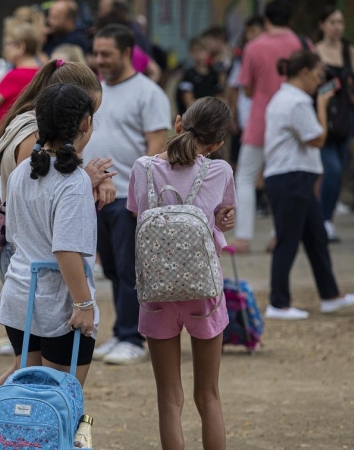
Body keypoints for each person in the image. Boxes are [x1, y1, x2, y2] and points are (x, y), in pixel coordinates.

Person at [127, 97, 236, 450]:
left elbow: (138, 214)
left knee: (169, 399)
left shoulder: (141, 168)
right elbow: (220, 218)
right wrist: (221, 222)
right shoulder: (220, 171)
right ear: (217, 143)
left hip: (157, 292)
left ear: (177, 123)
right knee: (209, 397)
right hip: (203, 291)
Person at [0, 82, 99, 441]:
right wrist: (84, 304)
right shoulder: (74, 180)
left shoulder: (25, 171)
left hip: (20, 298)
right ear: (86, 123)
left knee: (25, 403)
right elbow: (65, 249)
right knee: (57, 410)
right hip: (58, 308)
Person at [87, 24, 171, 365]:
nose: (99, 60)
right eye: (96, 53)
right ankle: (121, 330)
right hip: (94, 195)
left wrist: (143, 197)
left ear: (126, 53)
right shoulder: (96, 91)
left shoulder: (148, 93)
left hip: (127, 197)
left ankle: (132, 336)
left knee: (129, 269)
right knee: (110, 268)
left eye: (106, 54)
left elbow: (156, 147)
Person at [263, 50, 354, 320]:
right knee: (288, 241)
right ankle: (278, 302)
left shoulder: (285, 98)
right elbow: (317, 139)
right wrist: (321, 103)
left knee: (316, 238)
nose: (320, 80)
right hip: (290, 177)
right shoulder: (296, 101)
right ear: (305, 72)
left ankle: (330, 296)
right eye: (318, 74)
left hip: (294, 178)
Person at [231, 0, 310, 253]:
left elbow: (247, 87)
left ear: (266, 20)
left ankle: (242, 238)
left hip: (260, 118)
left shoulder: (254, 46)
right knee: (281, 177)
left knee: (244, 176)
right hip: (294, 119)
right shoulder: (301, 43)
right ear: (290, 20)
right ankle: (279, 235)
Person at [315, 7, 354, 242]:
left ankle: (328, 221)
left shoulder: (348, 50)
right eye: (332, 22)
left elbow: (352, 83)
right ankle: (321, 219)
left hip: (345, 115)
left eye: (340, 22)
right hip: (323, 114)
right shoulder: (315, 51)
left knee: (339, 169)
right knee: (329, 170)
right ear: (322, 25)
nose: (337, 27)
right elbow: (313, 84)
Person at [226, 16, 264, 167]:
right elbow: (235, 89)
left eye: (255, 31)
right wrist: (233, 115)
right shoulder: (241, 60)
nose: (251, 36)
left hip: (263, 116)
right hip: (245, 116)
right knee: (240, 161)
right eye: (248, 32)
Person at [0, 24, 41, 120]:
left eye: (8, 44)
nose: (6, 49)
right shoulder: (42, 73)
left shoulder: (14, 76)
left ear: (20, 47)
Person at [177, 38, 221, 115]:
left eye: (202, 51)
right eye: (196, 51)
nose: (200, 55)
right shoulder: (188, 75)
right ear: (191, 53)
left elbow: (218, 95)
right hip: (194, 117)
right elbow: (189, 102)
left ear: (208, 52)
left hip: (211, 117)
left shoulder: (213, 73)